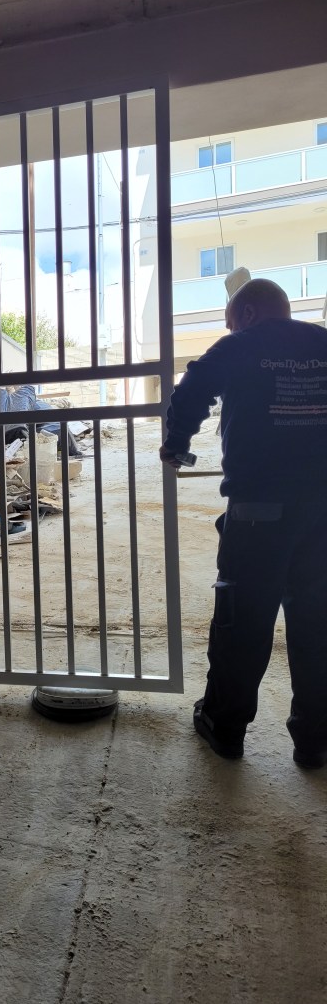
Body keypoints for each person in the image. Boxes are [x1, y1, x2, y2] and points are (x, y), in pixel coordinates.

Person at [160, 278, 327, 768]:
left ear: (249, 313)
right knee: (318, 623)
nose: (229, 327)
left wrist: (175, 445)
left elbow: (190, 392)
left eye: (231, 318)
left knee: (243, 621)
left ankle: (225, 727)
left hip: (258, 511)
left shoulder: (241, 345)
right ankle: (315, 740)